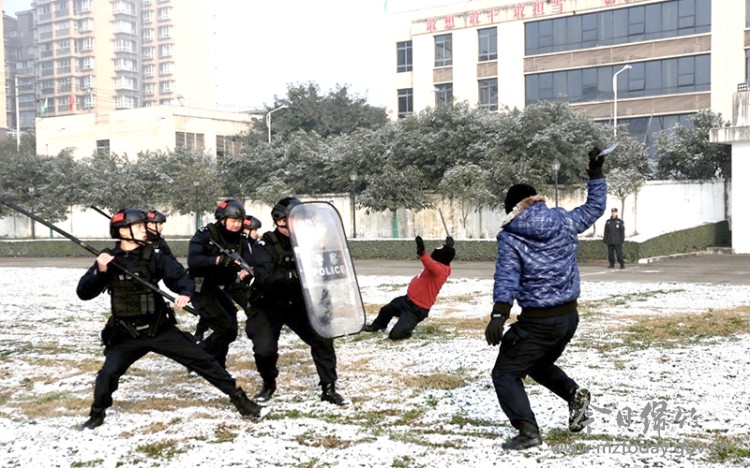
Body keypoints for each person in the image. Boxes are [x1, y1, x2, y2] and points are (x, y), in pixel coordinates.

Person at [77, 208, 264, 430]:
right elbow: (84, 293)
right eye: (139, 227)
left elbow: (180, 277)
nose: (145, 230)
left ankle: (241, 400)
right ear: (123, 231)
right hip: (126, 333)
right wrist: (99, 271)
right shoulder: (108, 260)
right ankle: (96, 414)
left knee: (204, 361)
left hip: (160, 329)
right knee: (107, 374)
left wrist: (185, 293)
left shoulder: (154, 256)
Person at [485, 147, 607, 450]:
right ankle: (574, 394)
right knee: (537, 364)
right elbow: (595, 207)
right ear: (535, 200)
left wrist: (499, 314)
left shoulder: (511, 235)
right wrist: (596, 173)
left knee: (504, 374)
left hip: (539, 322)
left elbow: (508, 276)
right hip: (569, 318)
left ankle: (528, 433)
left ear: (513, 208)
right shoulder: (564, 220)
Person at [246, 197, 347, 406]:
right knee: (264, 350)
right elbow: (265, 278)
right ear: (280, 221)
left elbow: (328, 270)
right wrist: (294, 274)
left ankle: (329, 388)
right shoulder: (265, 245)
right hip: (268, 304)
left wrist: (326, 253)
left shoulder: (311, 241)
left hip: (300, 302)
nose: (301, 224)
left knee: (322, 338)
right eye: (295, 219)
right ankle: (268, 383)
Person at [188, 200, 252, 368]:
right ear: (222, 219)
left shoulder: (241, 239)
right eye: (233, 221)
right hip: (202, 288)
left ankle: (217, 364)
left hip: (223, 288)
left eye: (240, 221)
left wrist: (247, 272)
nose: (237, 225)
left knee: (231, 330)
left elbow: (250, 261)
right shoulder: (205, 235)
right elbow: (193, 260)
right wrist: (218, 260)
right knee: (224, 327)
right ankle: (196, 357)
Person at [363, 236, 454, 340]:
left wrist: (422, 252)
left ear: (441, 256)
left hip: (416, 310)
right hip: (407, 300)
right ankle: (377, 326)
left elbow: (429, 263)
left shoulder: (438, 270)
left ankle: (406, 332)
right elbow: (445, 256)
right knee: (386, 310)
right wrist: (449, 246)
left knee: (395, 336)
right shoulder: (443, 266)